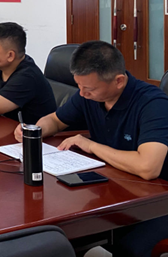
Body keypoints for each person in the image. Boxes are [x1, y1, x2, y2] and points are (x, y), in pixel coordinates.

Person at [14, 41, 168, 257]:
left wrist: (92, 145)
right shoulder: (88, 96)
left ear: (119, 81)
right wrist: (35, 130)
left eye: (89, 89)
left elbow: (148, 167)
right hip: (113, 186)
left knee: (127, 245)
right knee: (61, 233)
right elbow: (55, 120)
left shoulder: (153, 103)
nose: (82, 93)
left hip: (157, 199)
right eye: (79, 86)